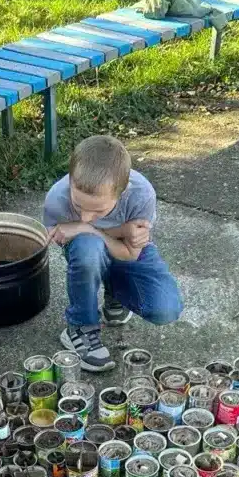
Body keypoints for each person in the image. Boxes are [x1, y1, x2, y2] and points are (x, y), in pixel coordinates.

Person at [43, 134, 183, 372]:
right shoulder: (57, 198)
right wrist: (119, 230)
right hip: (89, 251)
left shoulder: (141, 194)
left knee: (165, 309)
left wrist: (86, 228)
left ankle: (115, 293)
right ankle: (80, 326)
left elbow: (130, 254)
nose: (86, 216)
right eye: (78, 205)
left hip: (129, 251)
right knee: (88, 250)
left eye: (98, 210)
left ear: (122, 191)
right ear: (70, 180)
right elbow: (77, 251)